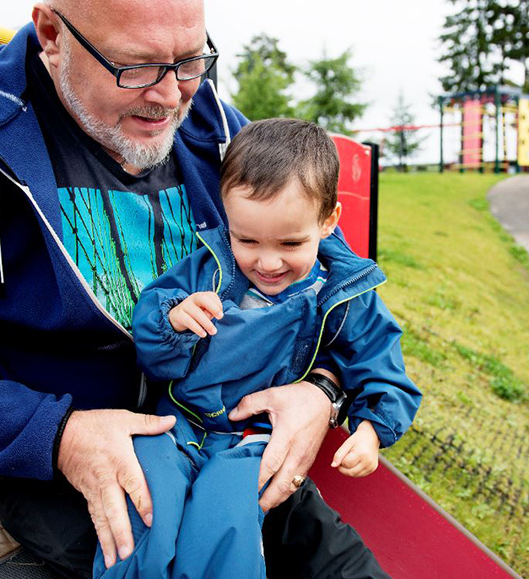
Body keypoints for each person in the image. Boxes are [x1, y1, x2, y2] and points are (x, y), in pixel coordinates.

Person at [0, 1, 388, 577]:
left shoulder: (219, 133)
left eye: (191, 61)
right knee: (148, 562)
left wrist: (323, 390)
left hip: (222, 431)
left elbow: (343, 285)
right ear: (51, 34)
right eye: (135, 67)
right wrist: (59, 435)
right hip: (56, 451)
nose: (171, 96)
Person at [96, 119, 422, 578]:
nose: (267, 263)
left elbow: (381, 364)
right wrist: (171, 322)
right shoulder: (209, 269)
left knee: (224, 521)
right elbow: (152, 342)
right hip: (175, 421)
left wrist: (371, 429)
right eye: (247, 239)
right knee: (146, 505)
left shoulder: (343, 296)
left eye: (291, 243)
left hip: (252, 439)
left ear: (328, 221)